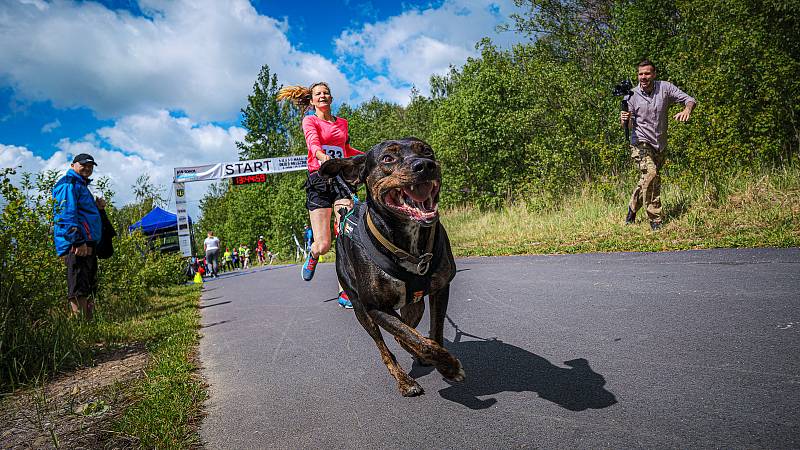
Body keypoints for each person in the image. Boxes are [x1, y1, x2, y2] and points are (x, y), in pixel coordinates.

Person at [278, 82, 364, 309]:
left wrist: (369, 155)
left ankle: (345, 290)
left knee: (347, 235)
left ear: (331, 98)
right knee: (324, 244)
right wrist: (321, 156)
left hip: (341, 180)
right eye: (318, 93)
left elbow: (346, 150)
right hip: (319, 180)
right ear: (313, 100)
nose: (323, 95)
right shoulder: (310, 120)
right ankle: (314, 254)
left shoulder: (342, 123)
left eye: (326, 92)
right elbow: (313, 143)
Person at [621, 59, 696, 231]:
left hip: (659, 144)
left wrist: (687, 110)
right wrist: (624, 120)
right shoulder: (631, 96)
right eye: (640, 74)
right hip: (640, 143)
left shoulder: (665, 88)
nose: (643, 77)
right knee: (652, 174)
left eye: (647, 73)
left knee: (647, 179)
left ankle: (632, 209)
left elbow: (690, 100)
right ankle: (656, 219)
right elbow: (628, 126)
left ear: (654, 74)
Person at [52, 153, 104, 319]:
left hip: (86, 242)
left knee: (87, 283)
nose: (87, 168)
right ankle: (79, 327)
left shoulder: (81, 185)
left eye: (90, 166)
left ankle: (88, 324)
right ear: (72, 165)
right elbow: (65, 215)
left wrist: (98, 208)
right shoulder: (69, 184)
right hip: (76, 244)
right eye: (84, 165)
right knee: (78, 285)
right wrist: (78, 241)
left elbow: (83, 213)